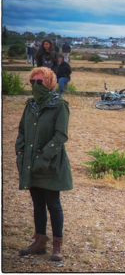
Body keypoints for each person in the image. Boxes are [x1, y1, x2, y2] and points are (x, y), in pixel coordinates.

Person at [15, 67, 73, 261]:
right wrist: (21, 152)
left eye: (39, 82)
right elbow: (22, 130)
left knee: (53, 204)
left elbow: (61, 135)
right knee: (37, 203)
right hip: (30, 161)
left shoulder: (59, 105)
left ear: (48, 83)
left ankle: (57, 245)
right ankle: (39, 241)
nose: (35, 86)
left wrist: (44, 157)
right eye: (32, 82)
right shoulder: (30, 105)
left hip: (51, 163)